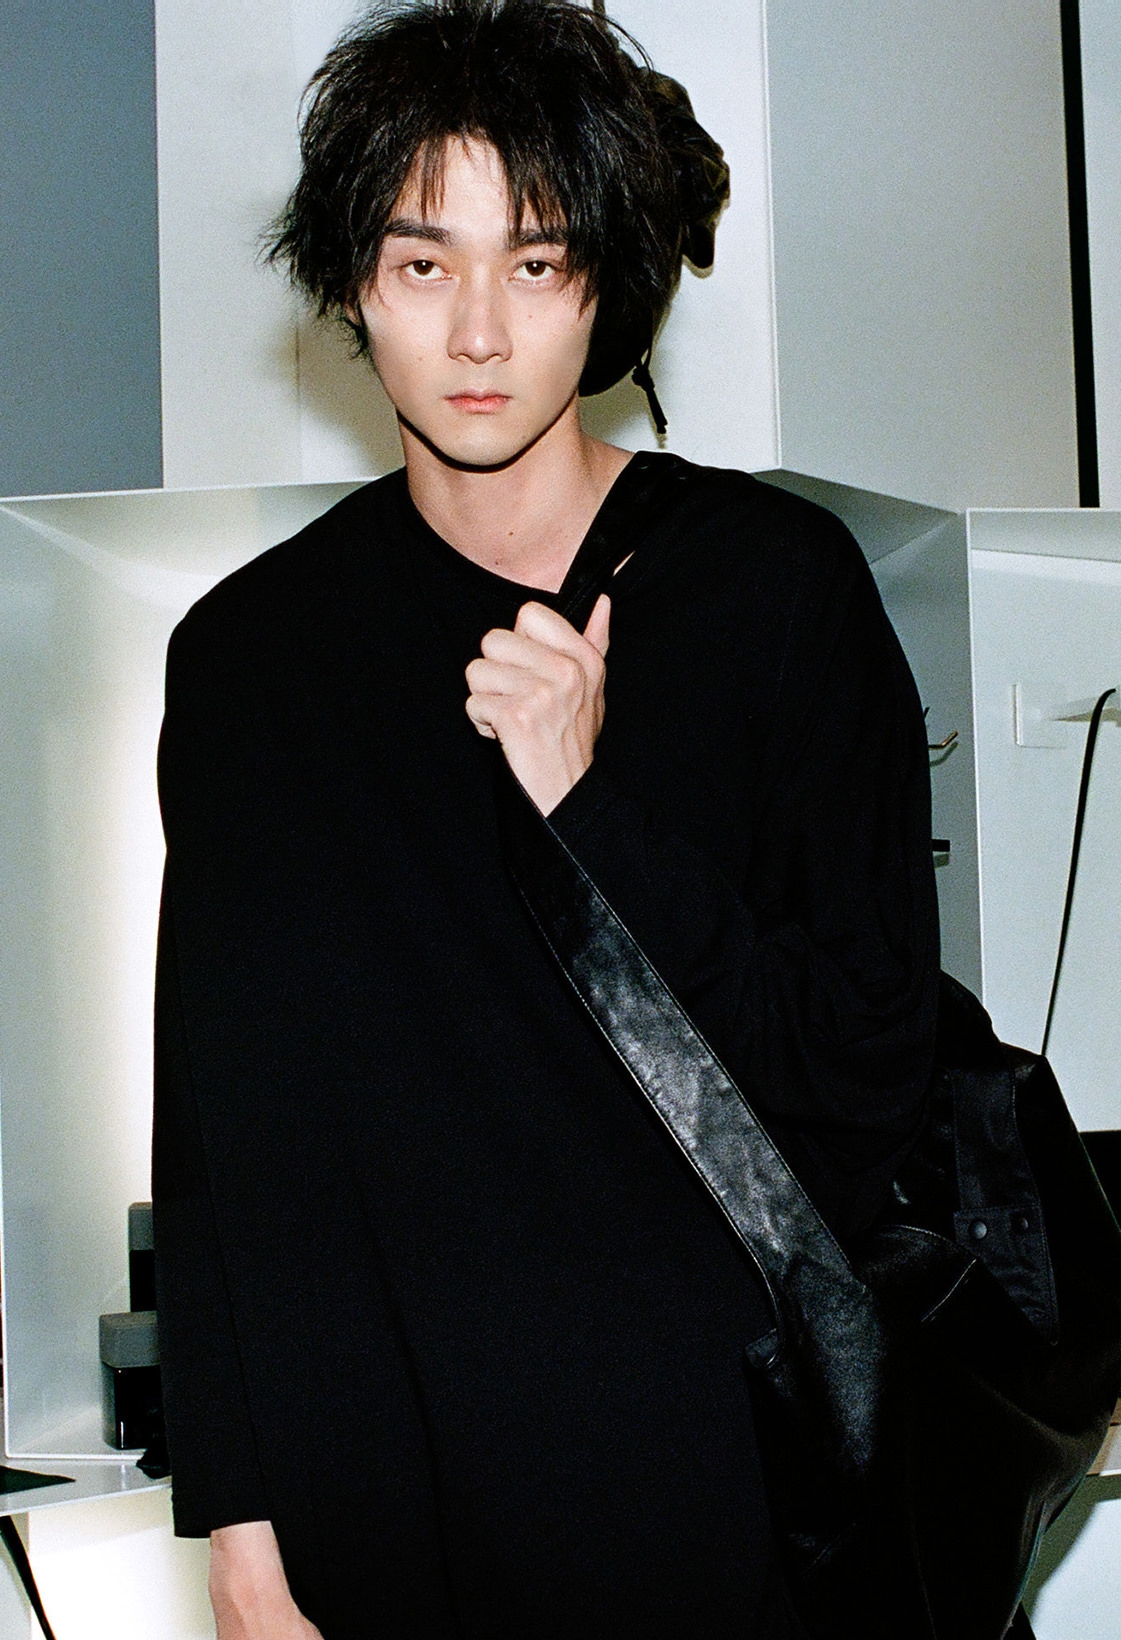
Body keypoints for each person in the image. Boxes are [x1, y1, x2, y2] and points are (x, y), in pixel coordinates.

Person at [151, 2, 939, 1636]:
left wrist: (589, 807)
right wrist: (238, 1525)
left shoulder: (775, 593)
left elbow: (866, 1072)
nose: (478, 332)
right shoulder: (248, 660)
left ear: (608, 285)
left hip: (724, 1502)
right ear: (352, 284)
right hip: (384, 1516)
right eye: (422, 262)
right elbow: (224, 1135)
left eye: (537, 262)